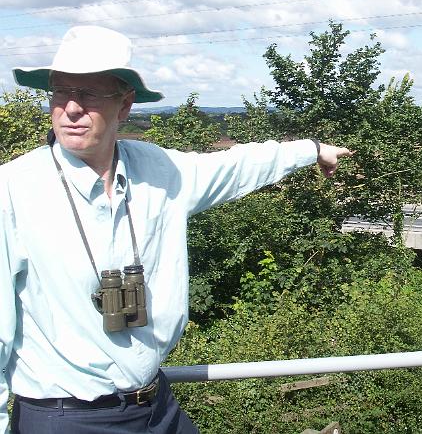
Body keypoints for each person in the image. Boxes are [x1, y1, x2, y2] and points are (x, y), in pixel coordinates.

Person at [0, 25, 352, 433]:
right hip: (66, 417)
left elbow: (234, 166)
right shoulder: (13, 190)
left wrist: (311, 150)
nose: (71, 108)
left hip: (155, 406)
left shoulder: (159, 171)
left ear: (125, 106)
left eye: (90, 94)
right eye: (60, 92)